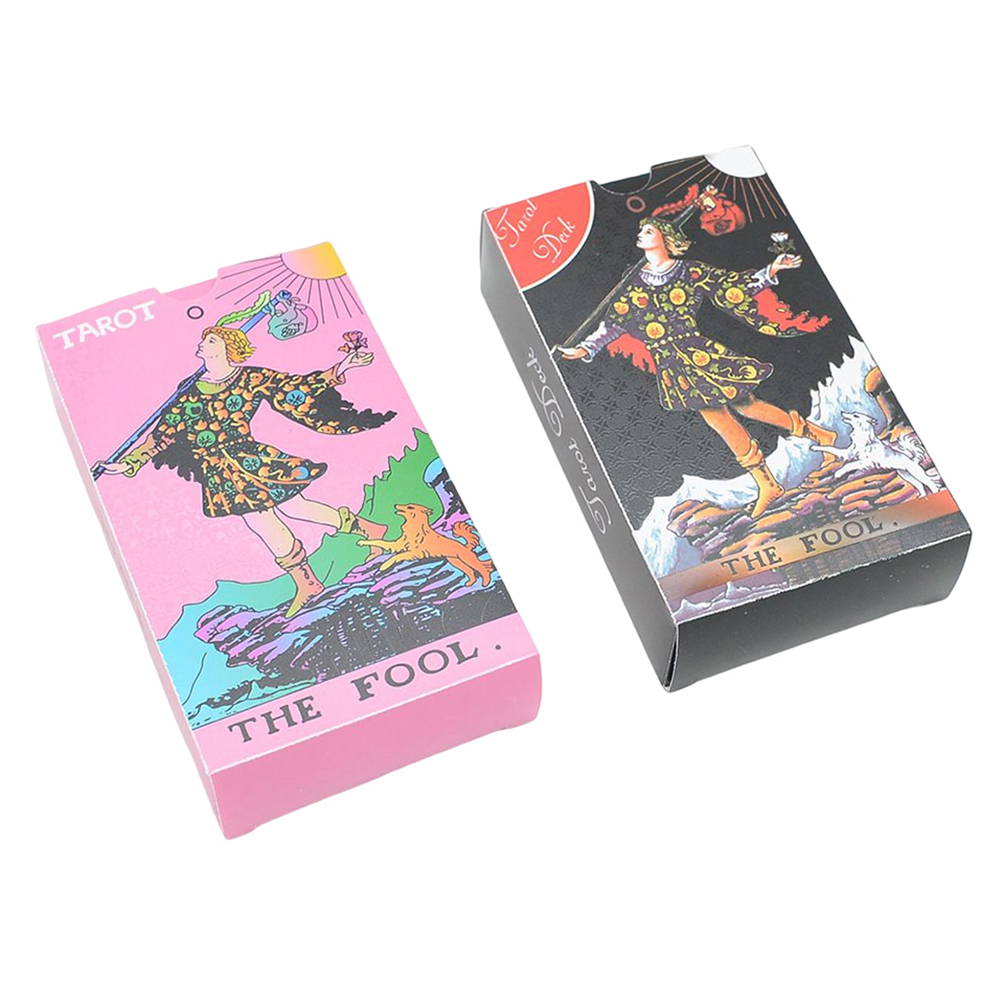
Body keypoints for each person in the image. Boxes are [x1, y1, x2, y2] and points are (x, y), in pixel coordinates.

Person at [100, 325, 394, 616]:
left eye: (210, 340)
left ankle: (366, 533)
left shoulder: (249, 378)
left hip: (249, 460)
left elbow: (293, 389)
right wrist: (130, 462)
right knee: (263, 522)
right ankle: (310, 581)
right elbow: (164, 433)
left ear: (227, 348)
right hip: (218, 471)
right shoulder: (189, 389)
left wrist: (342, 367)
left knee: (296, 508)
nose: (202, 343)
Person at [557, 217, 836, 518]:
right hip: (671, 364)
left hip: (697, 353)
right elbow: (614, 324)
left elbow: (732, 287)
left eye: (648, 230)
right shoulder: (633, 280)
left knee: (747, 405)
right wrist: (585, 348)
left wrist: (771, 270)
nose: (640, 234)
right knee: (720, 420)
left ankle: (814, 438)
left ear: (665, 238)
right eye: (640, 230)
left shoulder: (688, 271)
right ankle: (772, 480)